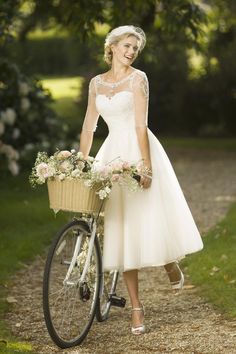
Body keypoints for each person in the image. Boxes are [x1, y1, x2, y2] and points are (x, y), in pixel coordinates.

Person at [79, 25, 203, 335]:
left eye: (136, 47)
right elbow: (88, 126)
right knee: (121, 229)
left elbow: (139, 125)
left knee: (151, 214)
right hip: (110, 155)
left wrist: (145, 166)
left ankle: (168, 261)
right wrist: (82, 161)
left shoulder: (138, 78)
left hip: (138, 149)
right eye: (127, 45)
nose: (132, 51)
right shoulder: (96, 83)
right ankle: (136, 306)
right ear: (112, 46)